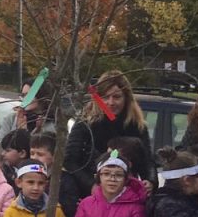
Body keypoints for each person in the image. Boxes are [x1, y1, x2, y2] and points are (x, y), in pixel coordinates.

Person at [65, 70, 152, 200]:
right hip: (90, 194)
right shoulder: (85, 123)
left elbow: (147, 160)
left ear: (126, 98)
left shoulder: (137, 125)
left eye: (116, 97)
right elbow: (70, 160)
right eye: (105, 97)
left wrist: (150, 180)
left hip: (127, 195)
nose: (111, 102)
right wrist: (91, 185)